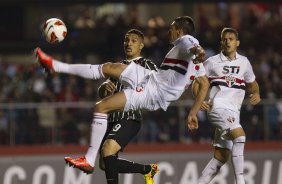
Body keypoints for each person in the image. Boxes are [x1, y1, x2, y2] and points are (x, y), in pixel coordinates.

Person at [35, 15, 209, 181]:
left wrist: (198, 51)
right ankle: (54, 65)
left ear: (179, 30)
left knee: (101, 108)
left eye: (171, 29)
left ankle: (88, 160)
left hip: (153, 91)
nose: (168, 32)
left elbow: (193, 48)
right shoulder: (194, 62)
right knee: (109, 68)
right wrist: (193, 111)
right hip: (152, 79)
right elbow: (204, 85)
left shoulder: (186, 41)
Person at [193, 28, 261, 184]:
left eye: (231, 39)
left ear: (237, 43)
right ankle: (241, 182)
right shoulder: (211, 62)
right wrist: (200, 100)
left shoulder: (244, 62)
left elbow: (253, 84)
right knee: (240, 137)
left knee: (220, 158)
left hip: (233, 112)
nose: (228, 41)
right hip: (217, 108)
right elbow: (197, 84)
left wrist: (256, 93)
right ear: (221, 43)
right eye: (225, 39)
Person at [97, 29, 159, 184]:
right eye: (126, 40)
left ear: (141, 46)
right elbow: (103, 93)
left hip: (129, 116)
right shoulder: (118, 66)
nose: (129, 43)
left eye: (133, 41)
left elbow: (159, 86)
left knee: (108, 149)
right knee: (105, 163)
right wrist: (105, 88)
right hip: (111, 118)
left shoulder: (146, 65)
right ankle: (147, 170)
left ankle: (147, 170)